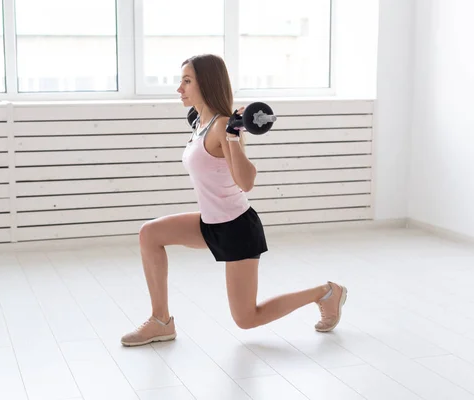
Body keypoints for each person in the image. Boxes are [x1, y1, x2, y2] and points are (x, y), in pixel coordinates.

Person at [120, 54, 347, 347]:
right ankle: (160, 321)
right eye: (181, 81)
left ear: (207, 83)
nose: (180, 88)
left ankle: (326, 293)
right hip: (210, 222)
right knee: (150, 234)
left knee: (246, 318)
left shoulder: (222, 126)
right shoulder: (201, 122)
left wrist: (233, 137)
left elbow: (247, 182)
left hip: (237, 228)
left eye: (187, 81)